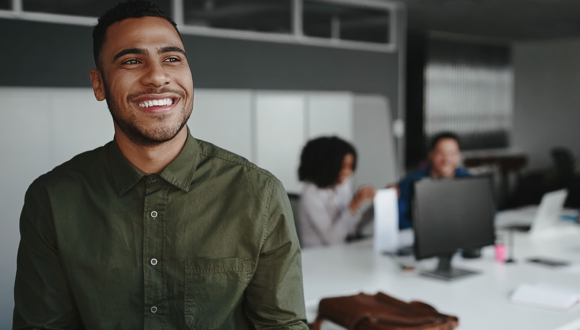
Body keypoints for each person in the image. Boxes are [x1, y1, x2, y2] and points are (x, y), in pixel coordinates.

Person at [13, 2, 307, 329]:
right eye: (132, 61)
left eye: (172, 59)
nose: (157, 76)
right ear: (99, 85)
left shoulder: (259, 194)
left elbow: (282, 325)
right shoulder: (53, 199)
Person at [297, 136, 376, 248]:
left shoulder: (340, 186)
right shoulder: (311, 195)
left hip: (341, 252)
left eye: (351, 167)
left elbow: (352, 228)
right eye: (344, 167)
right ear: (328, 166)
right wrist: (355, 203)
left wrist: (378, 206)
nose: (349, 172)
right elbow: (333, 240)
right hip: (318, 258)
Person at [397, 132, 470, 229]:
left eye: (452, 153)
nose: (446, 159)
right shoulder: (411, 181)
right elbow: (399, 217)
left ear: (459, 155)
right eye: (441, 153)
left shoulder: (468, 179)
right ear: (431, 154)